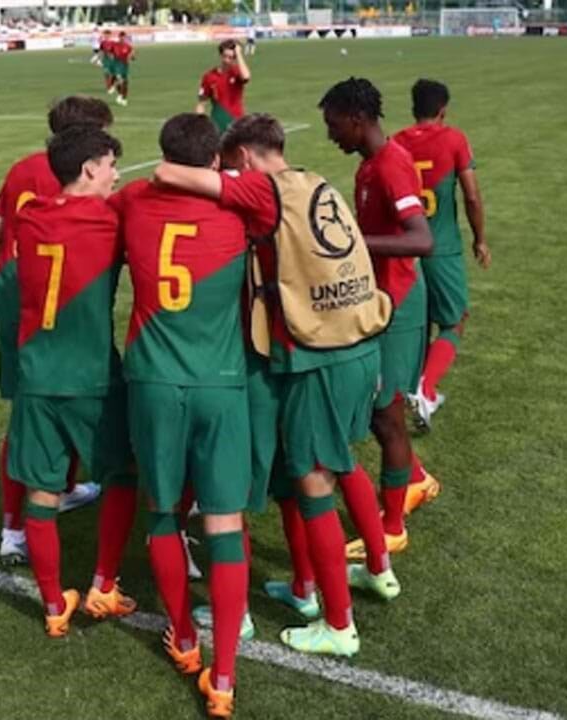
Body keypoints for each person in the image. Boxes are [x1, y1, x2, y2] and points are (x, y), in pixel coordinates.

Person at [156, 113, 400, 660]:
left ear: (242, 157)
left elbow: (180, 176)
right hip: (355, 343)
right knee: (304, 474)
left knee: (311, 482)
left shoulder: (266, 190)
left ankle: (337, 626)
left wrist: (162, 174)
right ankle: (305, 590)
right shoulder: (316, 180)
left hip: (320, 356)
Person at [115, 113, 252, 718]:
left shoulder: (133, 202)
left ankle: (184, 638)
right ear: (217, 162)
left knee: (163, 511)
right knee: (224, 524)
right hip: (223, 383)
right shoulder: (240, 210)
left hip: (152, 379)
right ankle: (222, 678)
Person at [7, 125, 138, 637]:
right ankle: (103, 582)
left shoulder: (30, 215)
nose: (116, 174)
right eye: (110, 165)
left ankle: (52, 602)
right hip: (92, 377)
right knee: (123, 474)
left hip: (37, 375)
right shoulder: (110, 219)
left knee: (41, 491)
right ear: (88, 170)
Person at [0, 97, 115, 565]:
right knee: (54, 413)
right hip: (57, 316)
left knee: (26, 414)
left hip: (17, 302)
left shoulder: (21, 168)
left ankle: (18, 523)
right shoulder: (71, 186)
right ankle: (31, 515)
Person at [317, 78, 437, 563]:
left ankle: (391, 528)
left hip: (399, 302)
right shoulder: (370, 165)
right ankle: (415, 479)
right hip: (378, 299)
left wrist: (354, 246)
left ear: (357, 118)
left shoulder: (390, 166)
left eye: (333, 125)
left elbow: (420, 239)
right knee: (375, 408)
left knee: (385, 416)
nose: (331, 135)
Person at [395, 79, 490, 437]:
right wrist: (480, 239)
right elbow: (472, 196)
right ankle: (426, 389)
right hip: (441, 247)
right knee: (454, 320)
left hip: (405, 251)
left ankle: (407, 387)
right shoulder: (453, 139)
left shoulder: (397, 142)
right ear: (443, 109)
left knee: (418, 323)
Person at [196, 40, 251, 134]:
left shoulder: (237, 72)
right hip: (217, 124)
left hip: (237, 123)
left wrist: (238, 54)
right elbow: (201, 103)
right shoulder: (209, 76)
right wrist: (200, 124)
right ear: (220, 55)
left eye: (231, 57)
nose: (226, 60)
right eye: (225, 56)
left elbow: (246, 77)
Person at [110, 32, 133, 106]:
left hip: (125, 66)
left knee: (125, 83)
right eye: (121, 37)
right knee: (119, 79)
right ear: (119, 37)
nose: (122, 39)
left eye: (124, 37)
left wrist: (131, 58)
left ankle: (124, 98)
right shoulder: (115, 45)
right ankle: (120, 94)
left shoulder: (128, 46)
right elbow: (110, 53)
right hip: (117, 65)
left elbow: (132, 55)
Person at [100, 30, 117, 94]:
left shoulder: (113, 43)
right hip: (106, 61)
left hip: (113, 61)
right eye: (105, 35)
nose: (106, 36)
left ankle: (112, 85)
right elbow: (101, 51)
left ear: (110, 35)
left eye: (107, 35)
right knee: (106, 74)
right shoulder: (103, 43)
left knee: (113, 75)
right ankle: (109, 88)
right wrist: (101, 59)